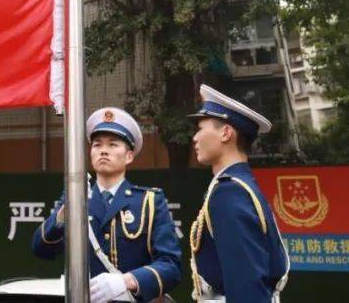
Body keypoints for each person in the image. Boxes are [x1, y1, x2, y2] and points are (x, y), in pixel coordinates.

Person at [32, 107, 182, 302]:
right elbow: (40, 248)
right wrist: (63, 215)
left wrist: (127, 281)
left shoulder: (149, 202)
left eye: (113, 145)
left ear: (128, 156)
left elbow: (171, 266)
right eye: (97, 145)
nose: (103, 150)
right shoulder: (76, 199)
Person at [187, 84, 289, 302]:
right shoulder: (239, 185)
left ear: (225, 133)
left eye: (201, 128)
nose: (195, 138)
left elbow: (246, 284)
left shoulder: (229, 192)